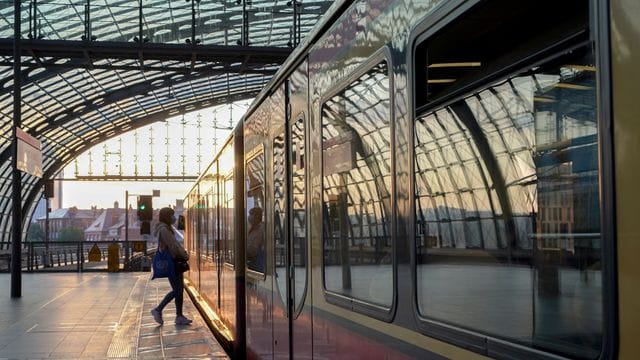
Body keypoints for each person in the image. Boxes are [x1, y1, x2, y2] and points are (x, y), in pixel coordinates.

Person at [150, 207, 192, 325]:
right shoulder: (164, 229)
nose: (174, 218)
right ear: (166, 216)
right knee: (177, 289)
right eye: (171, 215)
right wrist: (184, 254)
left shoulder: (166, 228)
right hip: (172, 262)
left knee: (179, 290)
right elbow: (173, 245)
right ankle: (158, 309)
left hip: (174, 261)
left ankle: (179, 316)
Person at [246, 206, 265, 272]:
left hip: (257, 266)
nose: (249, 217)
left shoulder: (260, 230)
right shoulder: (251, 229)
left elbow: (253, 250)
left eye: (251, 214)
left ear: (256, 217)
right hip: (252, 264)